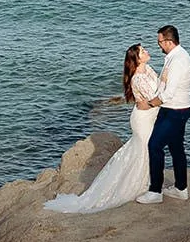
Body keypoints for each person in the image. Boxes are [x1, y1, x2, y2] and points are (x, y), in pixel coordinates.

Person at [43, 43, 162, 213]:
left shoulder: (148, 69)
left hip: (150, 116)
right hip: (143, 119)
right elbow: (155, 98)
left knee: (144, 150)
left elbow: (158, 89)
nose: (147, 51)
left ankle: (147, 183)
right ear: (136, 59)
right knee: (144, 149)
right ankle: (140, 186)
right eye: (143, 51)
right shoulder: (137, 78)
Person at [136, 24, 190, 204]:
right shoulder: (175, 56)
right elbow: (164, 84)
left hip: (174, 111)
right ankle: (181, 188)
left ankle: (155, 192)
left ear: (168, 41)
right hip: (177, 108)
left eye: (160, 41)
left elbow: (168, 94)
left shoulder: (177, 61)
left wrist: (149, 104)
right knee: (176, 148)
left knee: (154, 146)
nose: (158, 45)